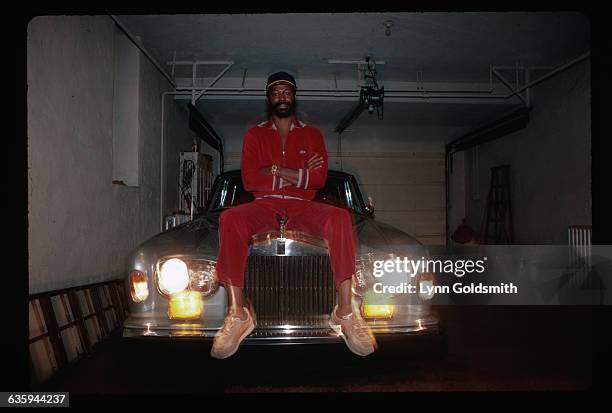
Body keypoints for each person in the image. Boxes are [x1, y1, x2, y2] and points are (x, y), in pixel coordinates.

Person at [211, 71, 377, 359]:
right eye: (276, 92)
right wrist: (300, 174)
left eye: (287, 92)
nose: (282, 97)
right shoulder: (255, 134)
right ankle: (238, 314)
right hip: (264, 205)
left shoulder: (311, 134)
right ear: (269, 98)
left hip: (304, 206)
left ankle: (345, 312)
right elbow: (250, 180)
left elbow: (320, 178)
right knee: (230, 218)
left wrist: (273, 169)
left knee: (340, 217)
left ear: (294, 96)